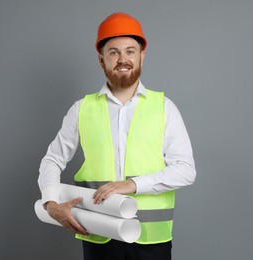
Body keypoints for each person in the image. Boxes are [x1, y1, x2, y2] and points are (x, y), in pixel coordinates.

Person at [38, 12, 196, 260]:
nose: (123, 59)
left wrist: (133, 185)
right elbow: (52, 160)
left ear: (142, 55)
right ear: (101, 60)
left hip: (151, 240)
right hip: (98, 233)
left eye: (130, 51)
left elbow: (186, 169)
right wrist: (50, 203)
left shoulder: (164, 107)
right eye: (114, 52)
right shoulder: (82, 109)